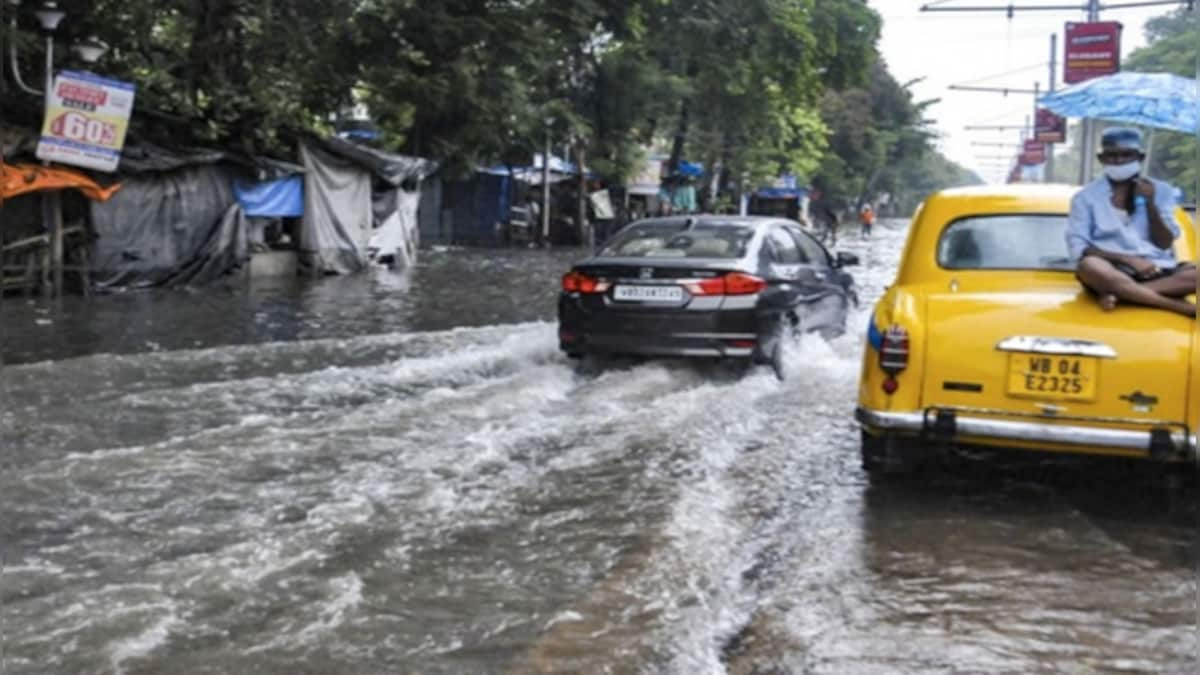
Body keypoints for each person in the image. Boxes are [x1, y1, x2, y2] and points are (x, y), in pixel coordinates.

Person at [1066, 127, 1196, 318]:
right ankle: (1176, 306)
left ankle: (1120, 295)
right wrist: (1128, 259)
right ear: (1101, 159)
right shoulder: (1085, 197)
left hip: (1157, 268)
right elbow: (1079, 247)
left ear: (1140, 158)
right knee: (1089, 266)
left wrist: (1151, 204)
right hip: (1109, 271)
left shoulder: (1162, 191)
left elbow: (1165, 242)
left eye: (1126, 155)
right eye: (1112, 156)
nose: (1119, 161)